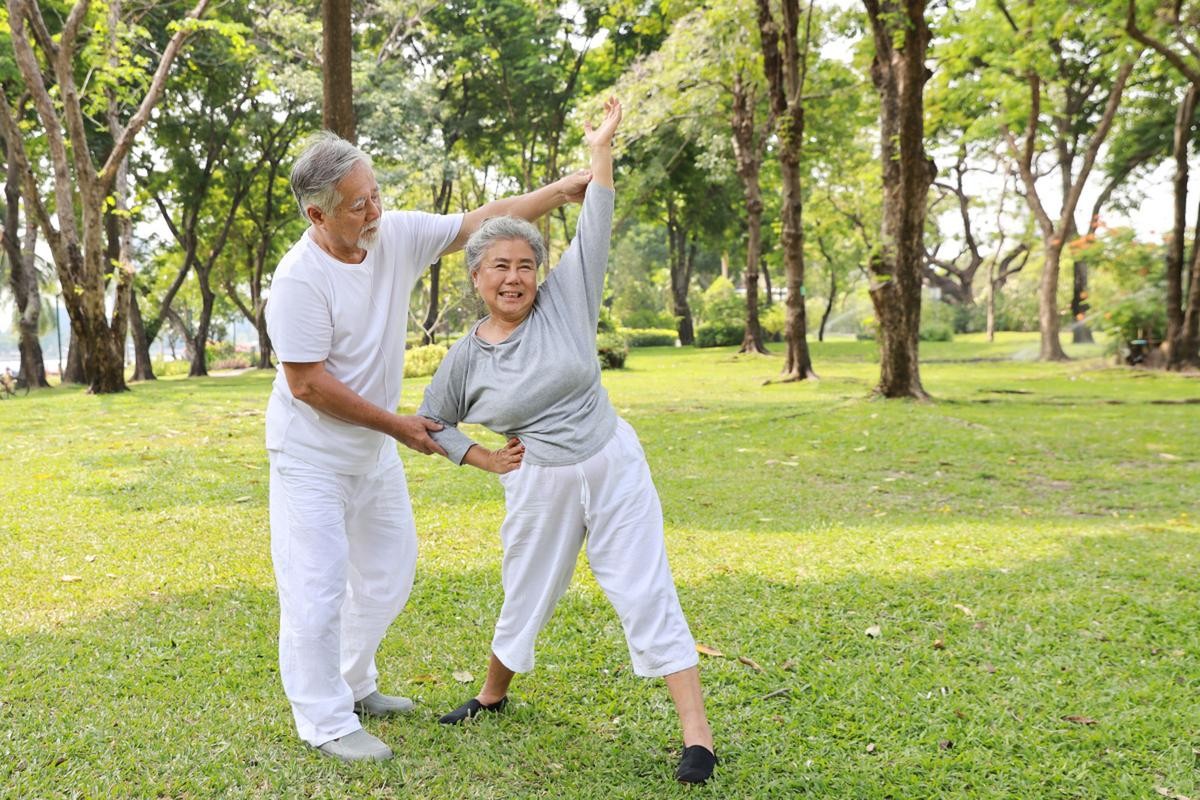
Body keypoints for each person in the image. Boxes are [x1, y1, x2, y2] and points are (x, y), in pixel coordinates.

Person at [418, 99, 718, 784]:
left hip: (613, 462)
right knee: (526, 590)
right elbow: (430, 422)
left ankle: (697, 738)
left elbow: (599, 215)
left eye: (525, 264)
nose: (515, 277)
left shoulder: (567, 299)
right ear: (476, 279)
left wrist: (600, 150)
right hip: (540, 480)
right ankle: (491, 695)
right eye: (499, 266)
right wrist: (483, 457)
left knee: (645, 589)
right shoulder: (466, 356)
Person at [265, 131, 590, 762]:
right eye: (358, 204)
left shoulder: (391, 235)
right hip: (312, 458)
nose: (375, 212)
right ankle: (325, 720)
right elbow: (306, 384)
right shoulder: (300, 280)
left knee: (389, 574)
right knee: (317, 587)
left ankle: (354, 682)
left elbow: (481, 223)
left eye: (375, 195)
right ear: (318, 214)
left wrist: (562, 190)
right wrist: (399, 426)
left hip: (372, 453)